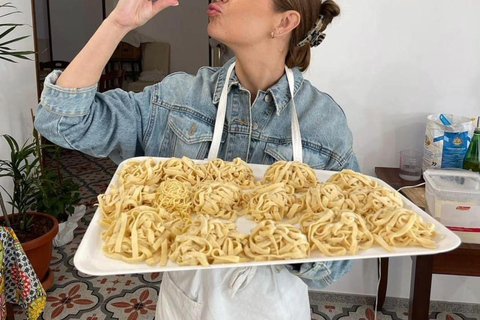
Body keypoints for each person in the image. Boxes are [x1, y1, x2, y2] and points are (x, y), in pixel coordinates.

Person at [35, 0, 360, 319]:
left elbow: (341, 256)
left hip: (274, 307)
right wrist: (118, 23)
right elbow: (62, 122)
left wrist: (284, 242)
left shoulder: (322, 123)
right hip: (186, 305)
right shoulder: (177, 98)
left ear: (284, 22)